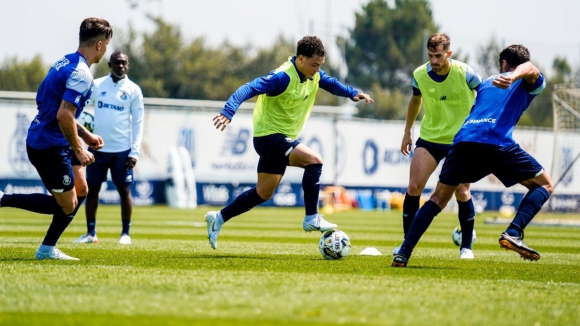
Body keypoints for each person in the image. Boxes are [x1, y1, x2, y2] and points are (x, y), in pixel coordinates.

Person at [205, 36, 374, 249]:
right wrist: (228, 111)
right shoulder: (282, 77)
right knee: (314, 161)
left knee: (263, 193)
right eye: (314, 65)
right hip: (268, 137)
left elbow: (330, 84)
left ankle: (218, 218)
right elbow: (248, 88)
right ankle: (311, 218)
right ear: (300, 59)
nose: (317, 69)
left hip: (279, 138)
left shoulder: (314, 75)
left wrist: (352, 93)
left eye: (320, 65)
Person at [392, 44, 550, 268]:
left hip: (463, 141)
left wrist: (512, 75)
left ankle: (403, 253)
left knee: (437, 198)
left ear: (503, 63)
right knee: (544, 185)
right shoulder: (524, 82)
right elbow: (532, 69)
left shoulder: (487, 83)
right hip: (498, 143)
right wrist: (515, 76)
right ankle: (513, 232)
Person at [0, 18, 113, 260]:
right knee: (68, 205)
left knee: (82, 187)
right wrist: (80, 149)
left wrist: (85, 134)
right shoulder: (82, 74)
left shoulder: (63, 62)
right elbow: (63, 114)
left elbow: (54, 109)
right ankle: (3, 199)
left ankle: (47, 248)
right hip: (48, 145)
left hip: (54, 137)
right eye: (107, 45)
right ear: (100, 45)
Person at [395, 33, 482, 259]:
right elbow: (415, 99)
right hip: (430, 139)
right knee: (414, 187)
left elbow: (485, 95)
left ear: (449, 54)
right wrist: (407, 132)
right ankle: (407, 244)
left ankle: (466, 247)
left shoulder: (466, 73)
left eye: (438, 56)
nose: (434, 61)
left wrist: (479, 125)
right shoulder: (419, 75)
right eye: (430, 56)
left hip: (461, 142)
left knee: (462, 191)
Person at [72, 51, 144, 245]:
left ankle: (125, 234)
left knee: (124, 190)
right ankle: (90, 233)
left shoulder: (133, 90)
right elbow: (78, 110)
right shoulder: (97, 85)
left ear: (127, 66)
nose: (120, 66)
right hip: (97, 148)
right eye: (116, 63)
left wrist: (134, 151)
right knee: (92, 190)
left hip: (122, 150)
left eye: (124, 63)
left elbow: (138, 122)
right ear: (110, 65)